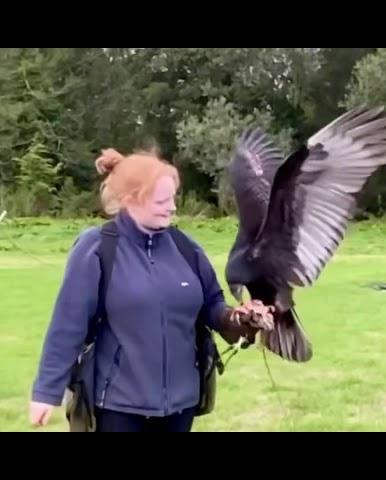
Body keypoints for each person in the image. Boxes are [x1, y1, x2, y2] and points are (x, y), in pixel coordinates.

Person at [29, 147, 272, 432]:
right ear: (131, 200)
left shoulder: (186, 247)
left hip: (181, 406)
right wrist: (46, 392)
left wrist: (240, 319)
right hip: (118, 406)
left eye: (173, 198)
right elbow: (68, 323)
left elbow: (213, 307)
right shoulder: (97, 248)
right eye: (161, 200)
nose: (172, 207)